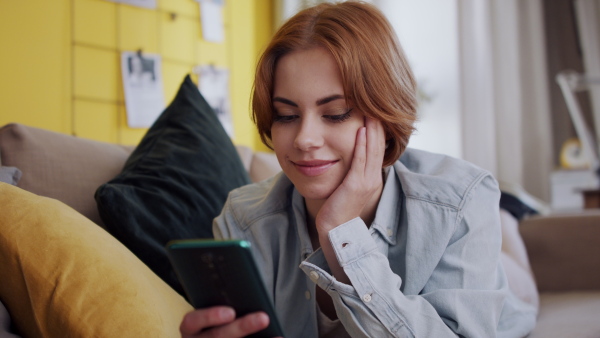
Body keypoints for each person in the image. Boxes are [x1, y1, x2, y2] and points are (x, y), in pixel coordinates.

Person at [180, 1, 538, 337]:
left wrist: (342, 233)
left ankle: (509, 216)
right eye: (286, 115)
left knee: (514, 268)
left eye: (335, 113)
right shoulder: (242, 220)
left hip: (505, 292)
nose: (304, 139)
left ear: (385, 117)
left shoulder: (462, 199)